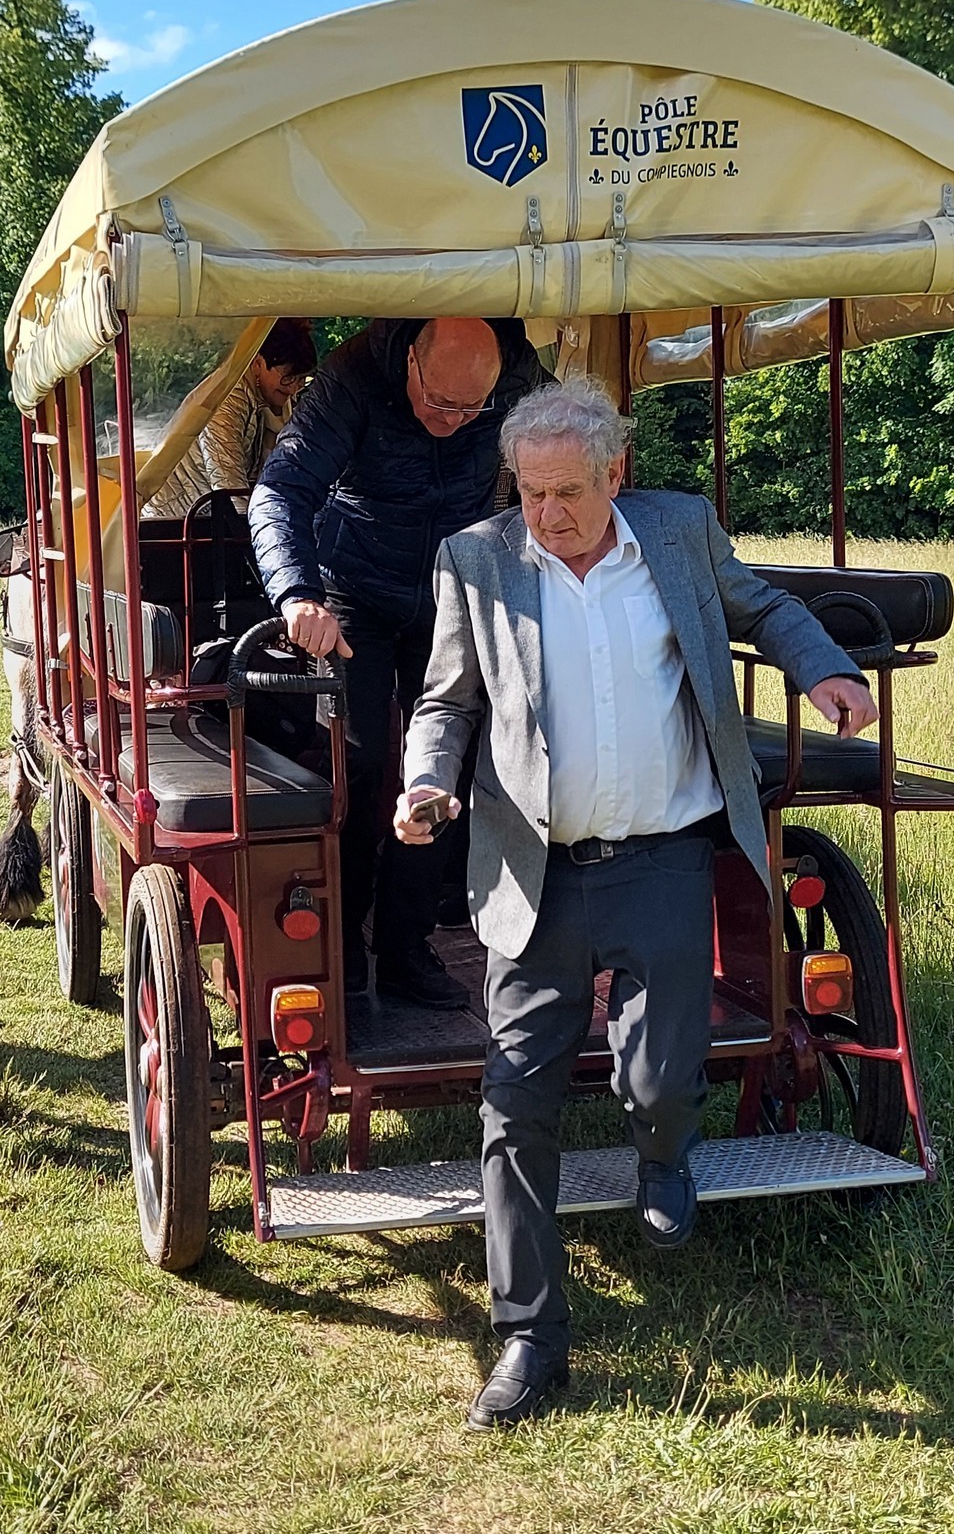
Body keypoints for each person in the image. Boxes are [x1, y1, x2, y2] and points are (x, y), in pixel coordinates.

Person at [393, 379, 880, 1430]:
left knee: (663, 1077)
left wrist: (823, 670)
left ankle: (665, 1153)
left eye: (568, 491)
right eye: (530, 493)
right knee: (515, 1102)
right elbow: (447, 699)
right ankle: (528, 1338)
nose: (547, 515)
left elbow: (769, 608)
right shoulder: (475, 559)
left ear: (617, 473)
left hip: (663, 857)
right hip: (538, 868)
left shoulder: (679, 532)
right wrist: (425, 780)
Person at [248, 316, 549, 1022]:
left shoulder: (519, 373)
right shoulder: (351, 377)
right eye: (438, 403)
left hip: (457, 587)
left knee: (449, 763)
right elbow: (279, 491)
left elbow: (575, 446)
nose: (450, 422)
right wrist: (298, 593)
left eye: (469, 411)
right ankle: (346, 942)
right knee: (359, 761)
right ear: (410, 360)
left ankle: (409, 944)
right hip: (352, 589)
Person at [139, 318, 317, 518]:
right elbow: (228, 483)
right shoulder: (227, 400)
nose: (293, 389)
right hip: (172, 522)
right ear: (258, 363)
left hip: (197, 516)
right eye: (288, 377)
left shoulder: (262, 399)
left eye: (301, 379)